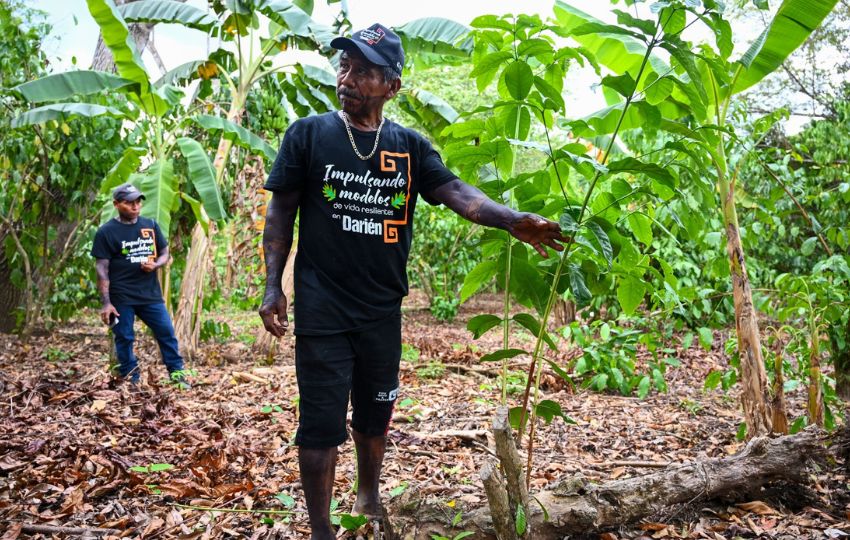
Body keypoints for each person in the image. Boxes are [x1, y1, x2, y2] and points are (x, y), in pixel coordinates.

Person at [258, 23, 564, 539]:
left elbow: (459, 194)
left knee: (375, 413)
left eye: (363, 71)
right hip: (322, 308)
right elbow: (280, 213)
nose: (347, 78)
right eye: (345, 66)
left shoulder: (409, 147)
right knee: (320, 423)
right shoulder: (308, 135)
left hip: (382, 310)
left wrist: (511, 219)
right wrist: (273, 285)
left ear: (392, 86)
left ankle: (368, 495)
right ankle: (320, 531)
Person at [91, 182, 187, 388]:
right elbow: (101, 269)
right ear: (116, 204)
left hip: (150, 294)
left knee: (166, 332)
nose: (135, 207)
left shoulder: (150, 225)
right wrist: (106, 303)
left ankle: (178, 375)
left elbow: (164, 252)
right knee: (124, 337)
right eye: (129, 203)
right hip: (121, 295)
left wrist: (156, 265)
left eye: (137, 202)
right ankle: (131, 379)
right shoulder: (106, 232)